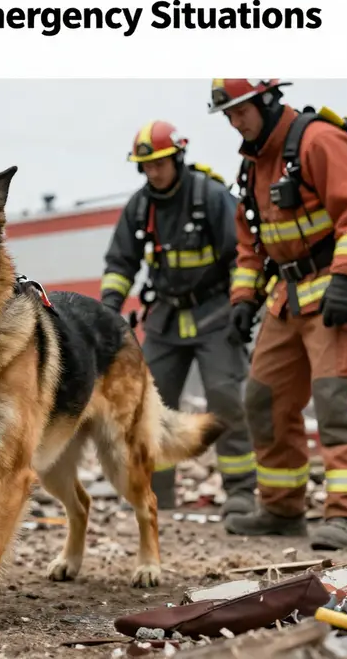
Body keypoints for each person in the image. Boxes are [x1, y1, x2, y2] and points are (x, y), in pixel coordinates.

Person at [209, 78, 347, 550]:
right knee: (263, 397)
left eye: (240, 111)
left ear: (266, 100)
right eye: (229, 115)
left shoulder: (319, 141)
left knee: (338, 402)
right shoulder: (253, 165)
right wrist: (242, 299)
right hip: (287, 296)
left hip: (335, 291)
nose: (235, 123)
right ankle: (280, 508)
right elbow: (251, 242)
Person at [100, 120, 257, 516]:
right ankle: (155, 496)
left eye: (161, 164)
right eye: (146, 165)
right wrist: (107, 309)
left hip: (216, 313)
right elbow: (121, 262)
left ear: (178, 158)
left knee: (227, 398)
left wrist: (243, 302)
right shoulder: (140, 206)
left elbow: (243, 252)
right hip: (166, 319)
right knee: (152, 406)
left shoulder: (211, 196)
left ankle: (240, 492)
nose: (154, 172)